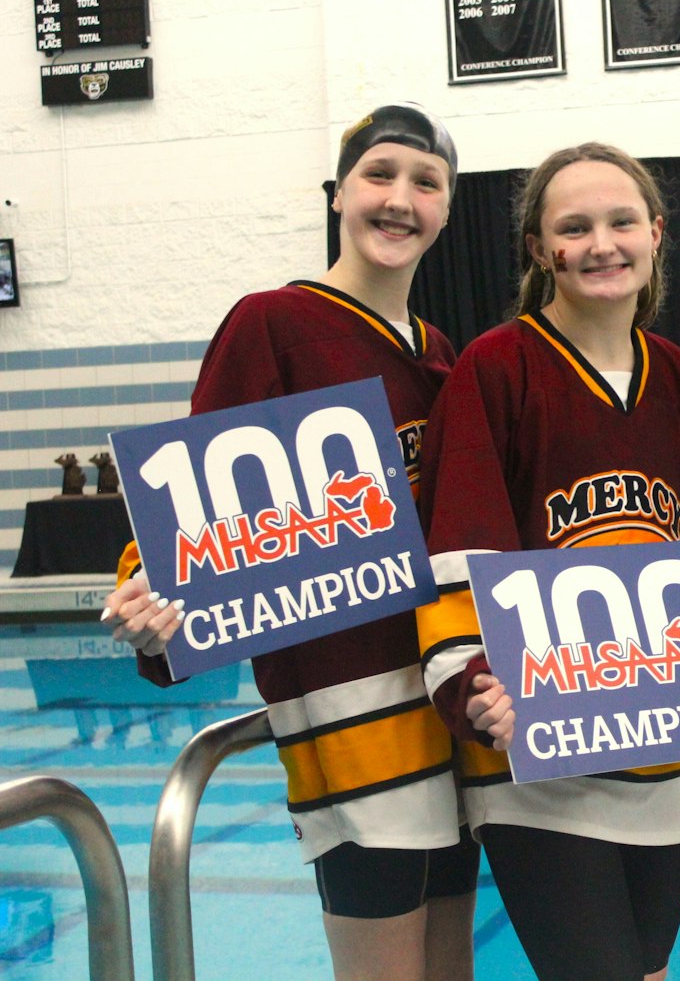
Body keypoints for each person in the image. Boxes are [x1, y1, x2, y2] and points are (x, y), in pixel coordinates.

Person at [101, 105, 479, 981]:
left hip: (442, 712)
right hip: (347, 721)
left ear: (447, 211)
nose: (400, 199)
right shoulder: (272, 322)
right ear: (338, 193)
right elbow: (200, 495)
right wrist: (154, 596)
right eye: (380, 175)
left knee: (453, 966)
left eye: (426, 183)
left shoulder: (442, 354)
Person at [412, 142, 680, 981]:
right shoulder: (494, 370)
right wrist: (469, 686)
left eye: (620, 222)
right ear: (543, 250)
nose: (601, 244)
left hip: (666, 753)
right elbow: (460, 549)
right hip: (542, 761)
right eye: (574, 228)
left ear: (655, 232)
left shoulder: (677, 374)